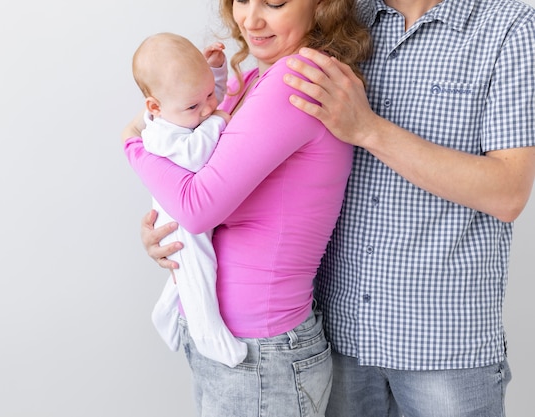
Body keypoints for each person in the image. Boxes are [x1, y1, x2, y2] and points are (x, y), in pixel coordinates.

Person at [143, 0, 535, 415]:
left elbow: (508, 193)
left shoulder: (507, 25)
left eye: (273, 2)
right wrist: (172, 230)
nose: (252, 17)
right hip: (337, 334)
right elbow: (232, 179)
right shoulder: (342, 18)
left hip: (442, 343)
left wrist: (368, 129)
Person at [123, 0, 371, 415]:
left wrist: (131, 145)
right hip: (243, 351)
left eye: (274, 3)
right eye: (241, 0)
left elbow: (197, 206)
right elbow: (186, 168)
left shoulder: (296, 79)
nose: (250, 19)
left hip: (259, 353)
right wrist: (163, 232)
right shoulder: (256, 78)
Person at [130, 31, 248, 368]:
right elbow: (195, 157)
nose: (209, 106)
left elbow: (212, 94)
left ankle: (165, 312)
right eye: (195, 105)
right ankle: (207, 334)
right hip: (177, 219)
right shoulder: (160, 132)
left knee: (186, 274)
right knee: (198, 270)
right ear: (155, 107)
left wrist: (217, 71)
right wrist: (218, 123)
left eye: (209, 94)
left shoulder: (185, 107)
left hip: (188, 209)